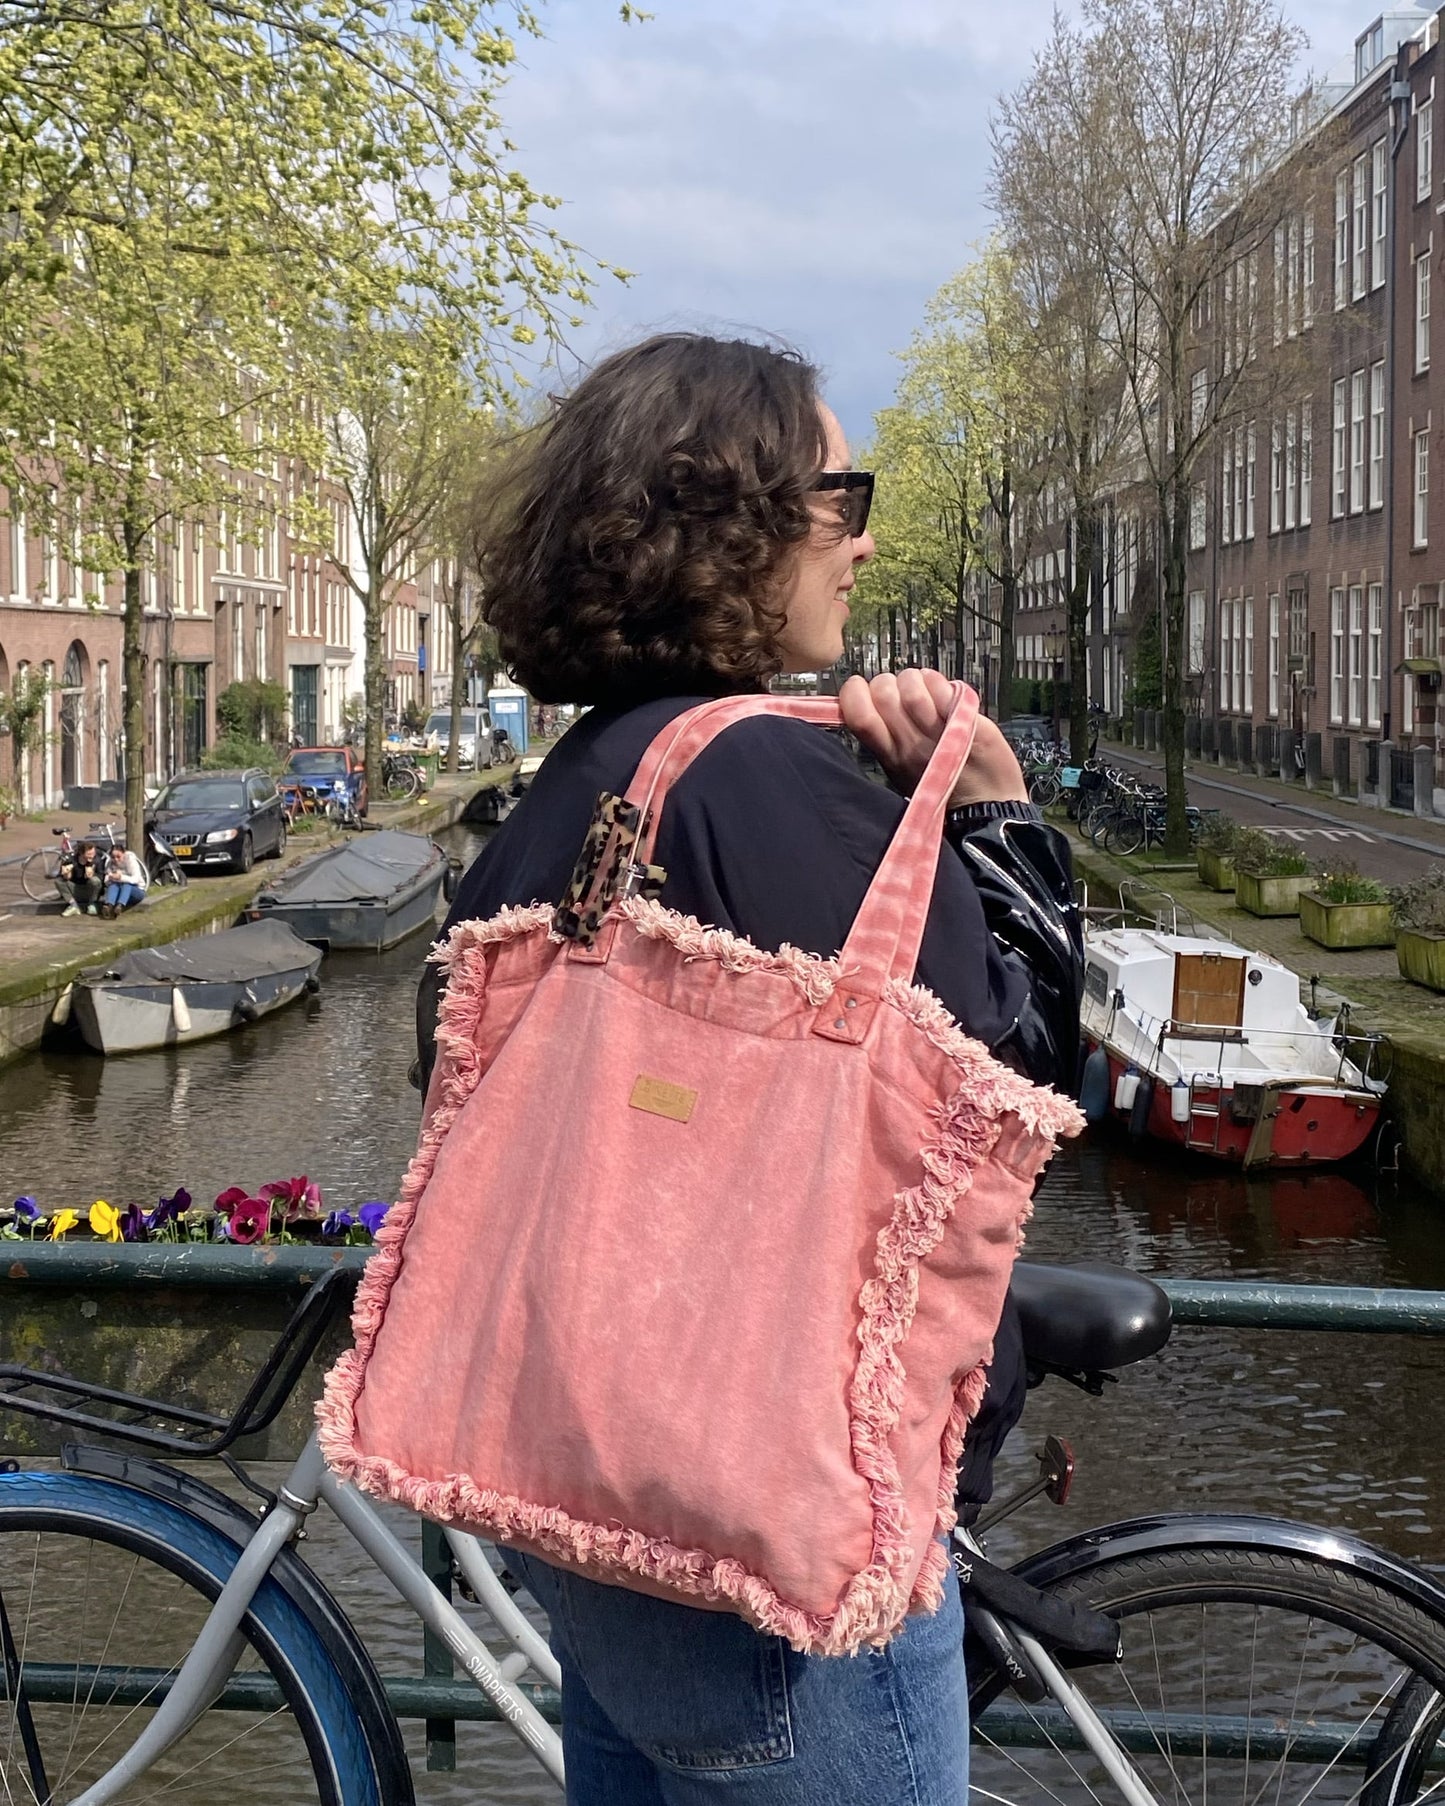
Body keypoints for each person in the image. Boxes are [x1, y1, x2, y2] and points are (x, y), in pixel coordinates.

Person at [418, 333, 1082, 1806]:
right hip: (781, 1549)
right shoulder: (766, 781)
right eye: (837, 494)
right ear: (733, 519)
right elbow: (1009, 1090)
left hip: (607, 1512)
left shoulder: (584, 778)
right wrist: (994, 817)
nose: (859, 537)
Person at [99, 845, 148, 917]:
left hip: (136, 891)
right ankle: (109, 905)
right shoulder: (110, 864)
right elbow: (106, 881)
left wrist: (121, 877)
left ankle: (120, 905)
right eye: (113, 857)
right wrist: (111, 878)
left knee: (126, 885)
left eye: (118, 856)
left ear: (123, 854)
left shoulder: (131, 861)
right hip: (119, 892)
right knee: (113, 885)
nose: (116, 859)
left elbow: (136, 879)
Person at [56, 842, 102, 916]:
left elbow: (101, 877)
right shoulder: (71, 860)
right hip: (75, 889)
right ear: (81, 853)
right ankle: (73, 906)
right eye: (89, 854)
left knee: (95, 881)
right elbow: (62, 876)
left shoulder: (97, 860)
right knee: (58, 881)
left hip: (90, 891)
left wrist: (93, 874)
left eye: (93, 853)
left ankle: (92, 904)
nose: (92, 856)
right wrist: (66, 874)